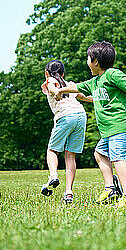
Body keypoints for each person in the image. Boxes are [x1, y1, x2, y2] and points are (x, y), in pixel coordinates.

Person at [53, 41, 126, 207]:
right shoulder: (95, 82)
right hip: (109, 129)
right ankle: (111, 189)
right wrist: (60, 90)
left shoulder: (112, 75)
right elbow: (76, 87)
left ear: (95, 61)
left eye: (88, 58)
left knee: (117, 159)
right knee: (100, 153)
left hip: (119, 123)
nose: (87, 62)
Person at [40, 60, 92, 204]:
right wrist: (99, 101)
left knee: (52, 151)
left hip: (65, 116)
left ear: (46, 73)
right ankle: (68, 192)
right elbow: (83, 97)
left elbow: (51, 86)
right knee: (70, 156)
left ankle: (53, 175)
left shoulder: (50, 80)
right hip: (80, 116)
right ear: (63, 73)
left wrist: (56, 92)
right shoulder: (69, 84)